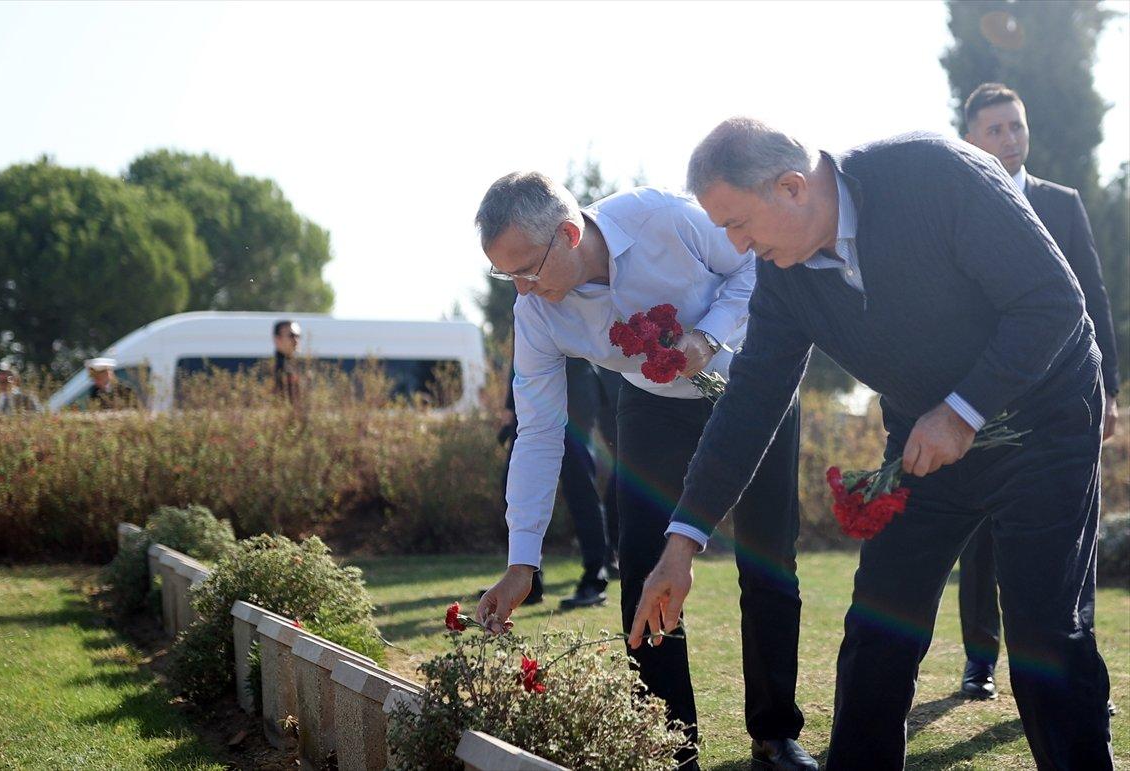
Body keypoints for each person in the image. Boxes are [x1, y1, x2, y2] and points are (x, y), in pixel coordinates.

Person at [630, 118, 1113, 770]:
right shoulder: (784, 273)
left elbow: (1054, 303)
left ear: (792, 187)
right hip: (923, 444)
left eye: (739, 223)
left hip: (1043, 423)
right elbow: (749, 402)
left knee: (1045, 639)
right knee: (877, 635)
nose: (736, 245)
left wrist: (962, 412)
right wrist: (683, 540)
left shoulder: (933, 173)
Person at [473, 173, 813, 770]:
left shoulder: (666, 219)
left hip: (751, 382)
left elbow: (754, 268)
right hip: (652, 406)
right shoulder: (535, 314)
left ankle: (774, 733)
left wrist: (707, 338)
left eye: (527, 269)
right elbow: (539, 433)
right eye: (507, 276)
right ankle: (670, 749)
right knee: (640, 565)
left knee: (768, 560)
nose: (522, 290)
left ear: (570, 234)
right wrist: (521, 561)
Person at [957, 82, 1122, 702]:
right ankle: (980, 662)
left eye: (1016, 126)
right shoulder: (960, 206)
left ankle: (1075, 667)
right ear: (971, 137)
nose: (1009, 139)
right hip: (984, 396)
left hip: (1065, 396)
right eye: (995, 129)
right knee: (982, 535)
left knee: (1073, 535)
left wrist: (1108, 389)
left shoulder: (1063, 203)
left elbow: (1093, 298)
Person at [498, 354, 619, 608]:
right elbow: (521, 347)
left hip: (574, 390)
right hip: (535, 390)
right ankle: (529, 578)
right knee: (512, 484)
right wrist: (511, 405)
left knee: (580, 487)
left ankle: (595, 579)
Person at [273, 320, 302, 405]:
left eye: (298, 336)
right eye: (292, 335)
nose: (296, 340)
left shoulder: (298, 366)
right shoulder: (271, 369)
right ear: (277, 339)